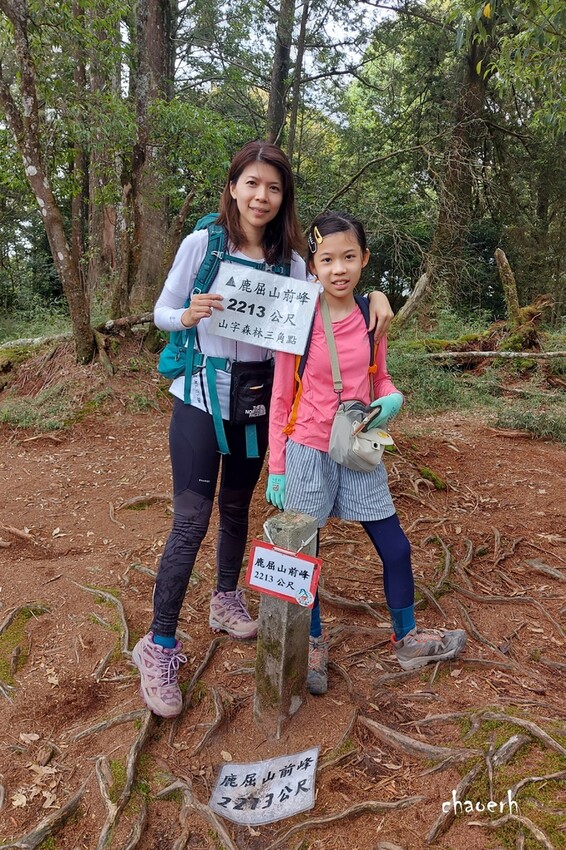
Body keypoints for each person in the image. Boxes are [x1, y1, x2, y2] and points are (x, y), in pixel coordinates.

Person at [132, 143, 394, 717]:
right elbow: (161, 312)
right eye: (251, 183)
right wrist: (187, 315)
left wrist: (377, 296)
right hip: (200, 396)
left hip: (255, 403)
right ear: (233, 187)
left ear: (283, 197)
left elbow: (333, 297)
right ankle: (159, 644)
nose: (261, 196)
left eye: (273, 188)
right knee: (191, 520)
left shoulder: (292, 263)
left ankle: (225, 598)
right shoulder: (203, 245)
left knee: (236, 509)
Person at [266, 210, 467, 695]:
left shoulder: (371, 316)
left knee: (395, 546)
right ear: (312, 265)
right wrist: (277, 467)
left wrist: (391, 398)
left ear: (364, 259)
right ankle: (311, 642)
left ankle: (407, 639)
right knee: (302, 553)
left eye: (349, 257)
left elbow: (381, 378)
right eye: (327, 259)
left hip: (357, 448)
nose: (339, 269)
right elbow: (280, 396)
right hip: (307, 449)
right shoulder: (298, 319)